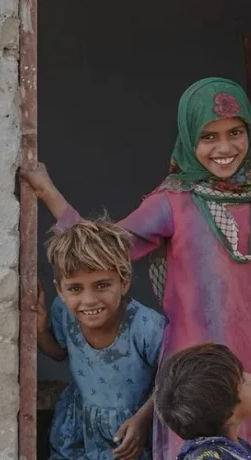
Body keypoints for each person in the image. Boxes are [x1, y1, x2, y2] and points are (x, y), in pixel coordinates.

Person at [21, 77, 251, 460]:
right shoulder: (174, 202)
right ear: (188, 137)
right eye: (208, 137)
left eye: (236, 132)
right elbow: (101, 249)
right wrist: (48, 193)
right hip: (193, 367)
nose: (225, 147)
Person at [37, 218, 166, 460]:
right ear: (60, 290)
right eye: (75, 288)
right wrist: (41, 331)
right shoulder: (63, 312)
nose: (89, 300)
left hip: (130, 432)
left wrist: (143, 419)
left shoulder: (146, 326)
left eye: (102, 285)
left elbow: (171, 380)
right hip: (77, 429)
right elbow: (59, 352)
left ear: (124, 281)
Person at [154, 343, 251, 460]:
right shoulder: (209, 456)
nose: (249, 377)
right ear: (229, 414)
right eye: (242, 380)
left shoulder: (225, 446)